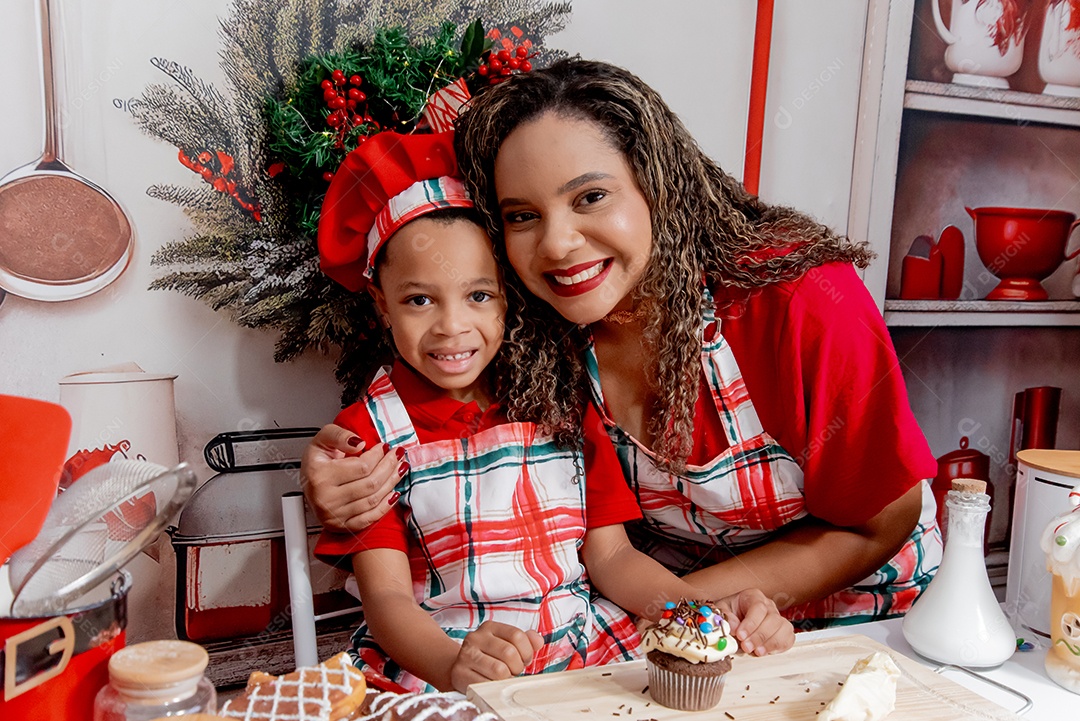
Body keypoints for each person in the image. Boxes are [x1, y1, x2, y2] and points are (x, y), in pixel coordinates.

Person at [303, 59, 942, 630]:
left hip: (863, 620)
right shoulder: (532, 324)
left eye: (591, 197)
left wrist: (686, 614)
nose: (557, 245)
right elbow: (443, 434)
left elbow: (877, 524)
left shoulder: (796, 298)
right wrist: (337, 474)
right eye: (522, 216)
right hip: (662, 619)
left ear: (659, 184)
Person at [313, 130, 793, 694]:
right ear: (381, 304)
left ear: (507, 296)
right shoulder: (368, 435)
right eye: (419, 300)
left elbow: (612, 557)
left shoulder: (559, 397)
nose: (452, 327)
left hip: (584, 649)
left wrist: (699, 612)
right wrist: (452, 666)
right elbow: (388, 600)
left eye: (479, 296)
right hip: (447, 661)